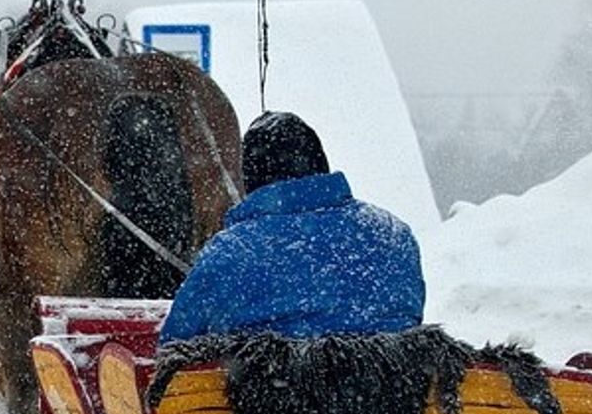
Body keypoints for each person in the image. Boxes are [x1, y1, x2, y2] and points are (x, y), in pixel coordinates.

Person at [158, 111, 424, 346]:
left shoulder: (231, 252)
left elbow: (176, 344)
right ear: (321, 164)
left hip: (264, 399)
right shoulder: (393, 234)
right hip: (389, 398)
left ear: (251, 178)